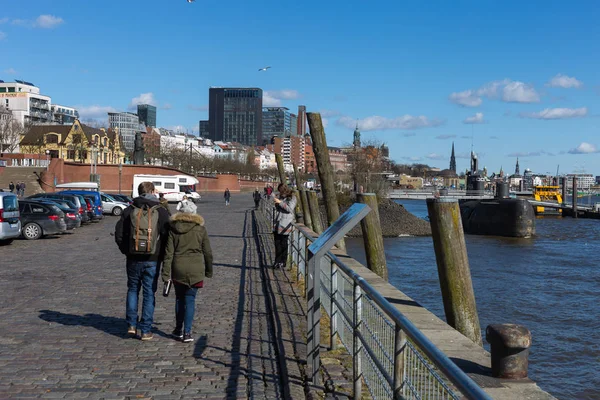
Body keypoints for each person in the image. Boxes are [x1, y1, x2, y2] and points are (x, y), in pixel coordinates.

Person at [114, 182, 170, 340]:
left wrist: (127, 250)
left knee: (132, 289)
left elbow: (119, 234)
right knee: (149, 293)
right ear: (152, 191)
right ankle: (145, 330)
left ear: (139, 192)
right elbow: (168, 235)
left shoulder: (129, 210)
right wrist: (162, 254)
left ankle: (131, 325)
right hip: (153, 259)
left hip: (133, 258)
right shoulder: (161, 211)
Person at [161, 211, 213, 343]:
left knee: (179, 299)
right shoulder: (200, 230)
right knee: (190, 300)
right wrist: (208, 270)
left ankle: (178, 329)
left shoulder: (174, 230)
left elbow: (168, 254)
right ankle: (187, 332)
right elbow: (207, 252)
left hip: (178, 268)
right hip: (196, 269)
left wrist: (166, 274)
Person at [272, 183, 297, 269]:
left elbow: (290, 209)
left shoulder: (292, 198)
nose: (279, 193)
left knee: (283, 243)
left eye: (280, 191)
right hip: (277, 223)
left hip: (285, 224)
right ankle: (277, 261)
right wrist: (276, 202)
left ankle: (283, 261)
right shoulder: (280, 197)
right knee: (277, 243)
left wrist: (280, 202)